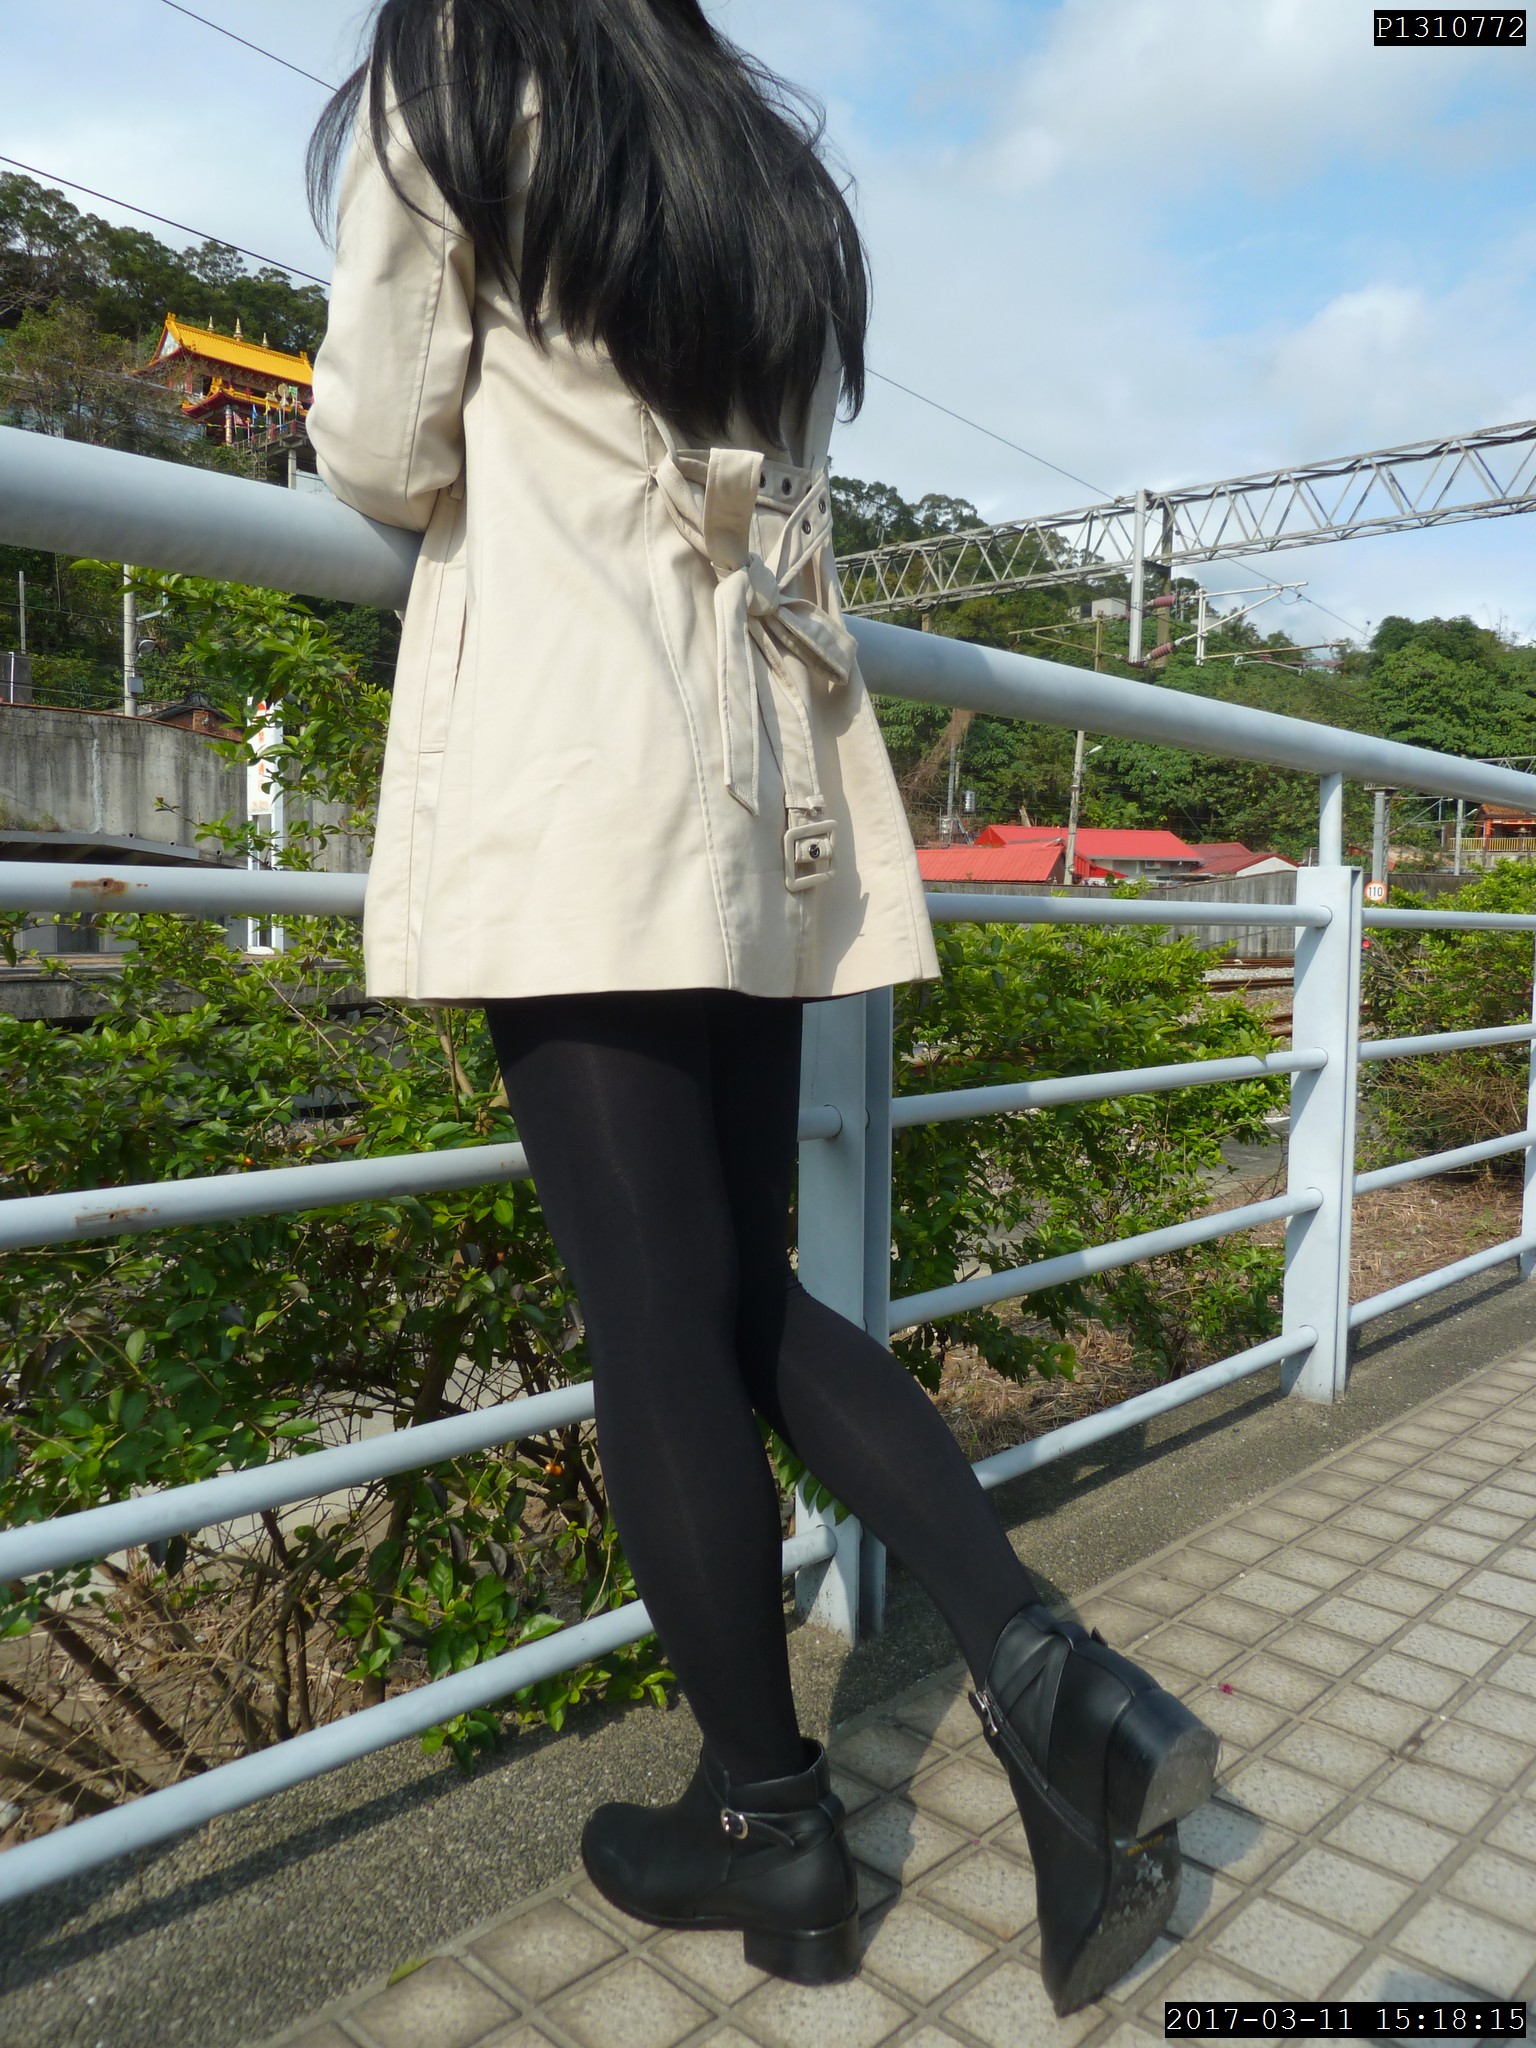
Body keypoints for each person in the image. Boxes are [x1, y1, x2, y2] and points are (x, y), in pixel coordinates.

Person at [305, 0, 1217, 2013]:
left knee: (661, 1321)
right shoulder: (755, 149)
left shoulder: (455, 84)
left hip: (579, 769)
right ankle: (1045, 1678)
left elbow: (377, 444)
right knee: (737, 1296)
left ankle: (771, 1815)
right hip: (758, 772)